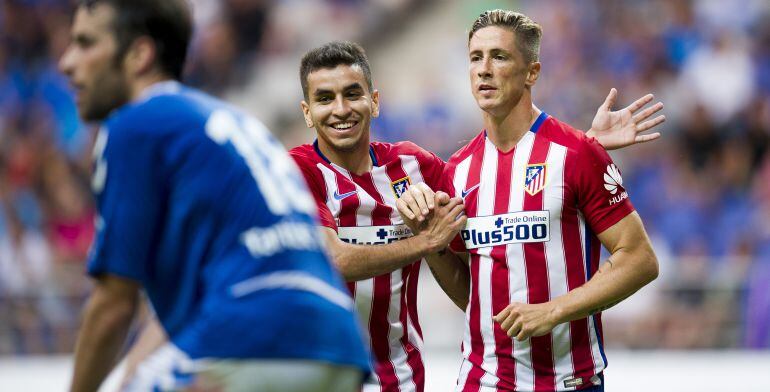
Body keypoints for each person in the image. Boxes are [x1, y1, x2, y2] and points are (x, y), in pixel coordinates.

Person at [291, 40, 663, 391]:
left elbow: (501, 178)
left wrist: (582, 145)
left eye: (352, 94)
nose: (340, 109)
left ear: (374, 102)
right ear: (308, 113)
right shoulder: (297, 172)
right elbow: (334, 260)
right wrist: (425, 242)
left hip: (398, 377)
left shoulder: (414, 166)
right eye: (325, 99)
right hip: (321, 373)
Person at [59, 1, 369, 391]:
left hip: (251, 340)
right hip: (338, 348)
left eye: (86, 44)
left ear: (139, 54)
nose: (67, 63)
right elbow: (182, 311)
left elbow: (112, 304)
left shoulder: (137, 124)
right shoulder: (227, 122)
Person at [398, 10, 660, 391]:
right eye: (475, 58)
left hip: (569, 380)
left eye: (499, 57)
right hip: (483, 380)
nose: (484, 69)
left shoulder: (576, 153)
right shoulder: (458, 171)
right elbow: (474, 296)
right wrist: (430, 243)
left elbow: (640, 260)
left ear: (532, 73)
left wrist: (553, 311)